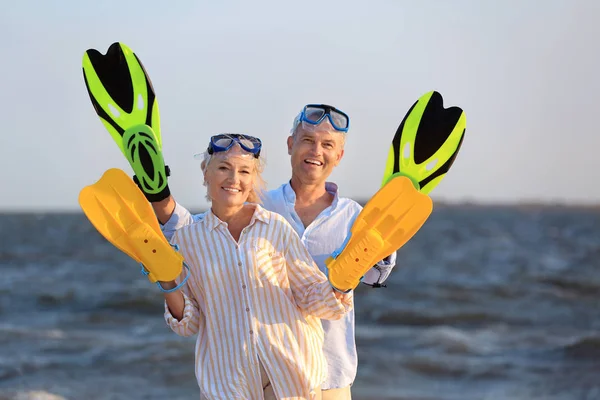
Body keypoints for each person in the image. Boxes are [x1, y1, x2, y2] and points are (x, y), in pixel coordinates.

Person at [154, 105, 397, 400]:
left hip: (322, 377)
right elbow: (195, 232)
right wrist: (158, 195)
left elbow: (373, 274)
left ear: (339, 155)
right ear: (290, 144)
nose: (316, 150)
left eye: (327, 144)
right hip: (237, 385)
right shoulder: (256, 208)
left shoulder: (354, 218)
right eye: (307, 140)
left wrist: (372, 250)